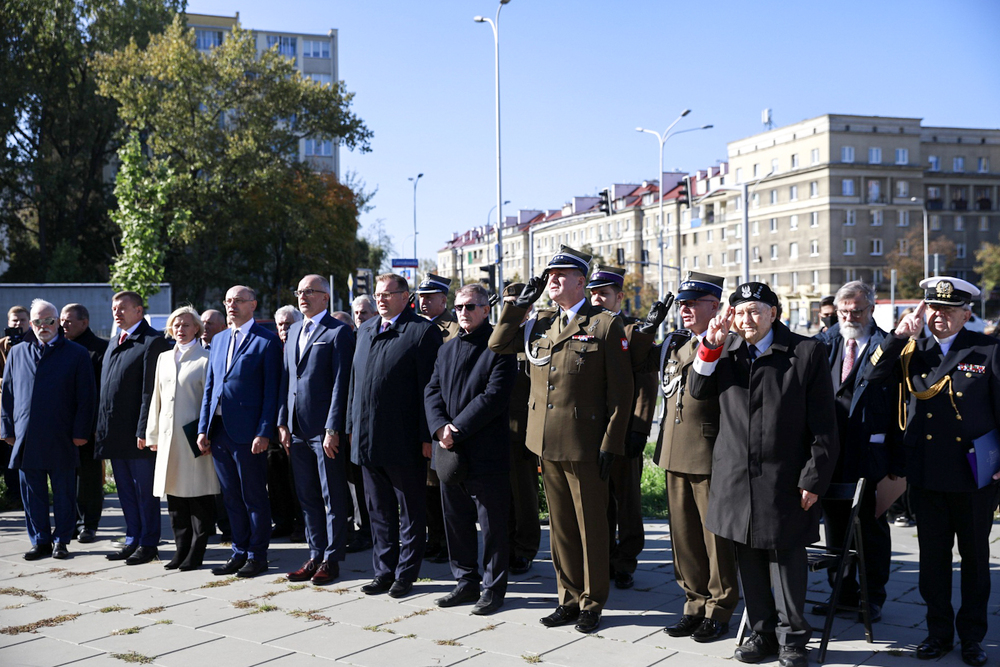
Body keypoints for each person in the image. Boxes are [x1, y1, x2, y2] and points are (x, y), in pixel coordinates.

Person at [689, 281, 838, 667]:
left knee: (786, 560)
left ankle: (793, 642)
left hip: (785, 477)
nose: (746, 318)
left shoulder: (805, 352)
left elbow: (824, 425)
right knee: (748, 558)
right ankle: (763, 632)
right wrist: (712, 341)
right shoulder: (726, 351)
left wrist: (813, 478)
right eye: (739, 312)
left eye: (755, 310)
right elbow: (697, 389)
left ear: (774, 313)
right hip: (736, 476)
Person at [489, 246, 634, 634]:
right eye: (550, 274)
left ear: (581, 281)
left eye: (562, 274)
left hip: (586, 443)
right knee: (562, 528)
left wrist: (611, 444)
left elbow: (622, 394)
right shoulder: (539, 323)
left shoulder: (603, 324)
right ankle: (567, 598)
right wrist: (519, 305)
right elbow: (498, 344)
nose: (552, 280)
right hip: (545, 441)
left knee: (591, 527)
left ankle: (592, 602)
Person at [862, 277, 1000, 667]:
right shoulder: (911, 350)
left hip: (974, 474)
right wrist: (896, 335)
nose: (939, 317)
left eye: (949, 310)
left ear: (966, 313)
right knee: (933, 560)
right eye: (933, 309)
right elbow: (871, 378)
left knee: (974, 560)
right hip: (926, 472)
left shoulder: (986, 349)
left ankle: (972, 637)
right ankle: (937, 632)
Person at [632, 271, 740, 643]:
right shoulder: (674, 343)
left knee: (716, 539)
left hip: (709, 452)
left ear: (716, 306)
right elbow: (635, 361)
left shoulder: (729, 344)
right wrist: (650, 326)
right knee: (684, 538)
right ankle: (694, 604)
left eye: (693, 303)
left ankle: (720, 607)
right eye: (682, 304)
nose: (685, 309)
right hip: (673, 450)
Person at [812, 281, 902, 624]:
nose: (850, 316)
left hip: (870, 456)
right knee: (835, 529)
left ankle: (871, 597)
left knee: (871, 528)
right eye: (844, 311)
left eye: (857, 310)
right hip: (832, 456)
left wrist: (897, 461)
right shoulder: (823, 343)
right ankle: (842, 593)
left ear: (872, 309)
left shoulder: (888, 347)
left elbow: (900, 408)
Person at [347, 273, 442, 599]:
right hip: (367, 438)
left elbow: (429, 390)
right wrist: (350, 427)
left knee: (410, 512)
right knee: (378, 511)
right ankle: (383, 571)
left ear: (406, 296)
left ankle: (406, 573)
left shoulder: (421, 331)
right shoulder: (366, 330)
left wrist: (427, 436)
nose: (382, 300)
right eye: (378, 295)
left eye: (389, 294)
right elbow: (354, 385)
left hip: (403, 441)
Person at [425, 284, 516, 615]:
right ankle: (465, 581)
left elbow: (493, 397)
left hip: (485, 451)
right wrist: (440, 428)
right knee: (455, 521)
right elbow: (431, 390)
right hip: (449, 452)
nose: (463, 312)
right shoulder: (446, 349)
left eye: (471, 307)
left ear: (486, 309)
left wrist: (455, 429)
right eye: (459, 307)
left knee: (492, 526)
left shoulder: (500, 348)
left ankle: (493, 589)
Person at [198, 285, 283, 578]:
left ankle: (257, 555)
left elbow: (271, 393)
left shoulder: (267, 342)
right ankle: (239, 551)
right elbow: (210, 388)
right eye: (228, 301)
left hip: (249, 435)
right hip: (219, 431)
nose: (232, 305)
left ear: (253, 305)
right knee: (230, 496)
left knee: (254, 496)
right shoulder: (219, 339)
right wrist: (203, 429)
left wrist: (264, 432)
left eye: (238, 301)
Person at [1, 300, 95, 560]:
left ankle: (61, 541)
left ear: (58, 323)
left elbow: (86, 398)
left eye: (49, 321)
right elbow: (7, 394)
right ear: (31, 324)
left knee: (64, 492)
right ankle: (40, 540)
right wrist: (7, 429)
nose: (44, 326)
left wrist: (81, 432)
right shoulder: (18, 352)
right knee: (32, 494)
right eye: (38, 322)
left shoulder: (76, 353)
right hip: (26, 436)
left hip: (62, 436)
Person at [278, 275, 355, 586]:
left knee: (331, 495)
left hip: (323, 430)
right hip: (296, 429)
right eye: (299, 291)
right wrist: (282, 422)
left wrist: (333, 427)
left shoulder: (338, 332)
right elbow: (287, 379)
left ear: (326, 297)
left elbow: (341, 384)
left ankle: (332, 559)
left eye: (309, 291)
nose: (303, 296)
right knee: (307, 495)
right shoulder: (294, 329)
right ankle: (314, 553)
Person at [586, 265, 658, 591]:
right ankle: (603, 558)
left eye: (604, 293)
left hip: (625, 430)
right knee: (599, 503)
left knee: (626, 502)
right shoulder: (585, 327)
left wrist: (639, 430)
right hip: (590, 432)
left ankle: (625, 561)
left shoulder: (632, 331)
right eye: (593, 293)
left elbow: (645, 384)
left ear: (619, 296)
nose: (597, 299)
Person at [95, 291, 171, 565]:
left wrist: (144, 430)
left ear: (139, 311)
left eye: (123, 308)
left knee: (143, 491)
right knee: (125, 491)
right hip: (114, 432)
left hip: (137, 434)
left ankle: (149, 543)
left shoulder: (152, 341)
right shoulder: (115, 341)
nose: (117, 312)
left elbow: (149, 392)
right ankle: (133, 538)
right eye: (114, 308)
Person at [146, 307, 219, 571]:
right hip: (168, 440)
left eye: (186, 325)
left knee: (197, 496)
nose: (180, 329)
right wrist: (152, 434)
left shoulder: (206, 358)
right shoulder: (164, 358)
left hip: (194, 439)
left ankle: (196, 553)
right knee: (175, 498)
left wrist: (208, 433)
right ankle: (180, 550)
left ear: (197, 328)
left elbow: (211, 402)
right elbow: (157, 398)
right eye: (176, 325)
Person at [416, 273, 459, 564]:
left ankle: (448, 542)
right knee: (426, 486)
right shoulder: (417, 326)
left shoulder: (454, 329)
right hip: (420, 415)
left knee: (444, 484)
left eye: (430, 297)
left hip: (444, 416)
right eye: (421, 297)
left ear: (444, 300)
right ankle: (434, 538)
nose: (424, 302)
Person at [59, 304, 109, 544]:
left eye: (69, 321)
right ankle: (69, 523)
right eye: (61, 321)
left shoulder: (100, 349)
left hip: (89, 426)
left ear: (84, 322)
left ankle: (88, 524)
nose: (63, 325)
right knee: (67, 478)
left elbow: (102, 392)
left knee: (88, 478)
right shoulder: (59, 347)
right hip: (63, 425)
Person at [500, 283, 540, 576]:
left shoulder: (538, 332)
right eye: (509, 302)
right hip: (497, 429)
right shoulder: (500, 333)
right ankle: (505, 545)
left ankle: (524, 549)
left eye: (519, 301)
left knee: (524, 495)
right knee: (502, 496)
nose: (514, 306)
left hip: (526, 429)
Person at [268, 304, 305, 540]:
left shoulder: (302, 345)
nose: (284, 328)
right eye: (280, 324)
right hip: (271, 424)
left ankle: (302, 524)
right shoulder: (271, 347)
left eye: (288, 324)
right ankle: (281, 521)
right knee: (275, 476)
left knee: (297, 478)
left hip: (296, 423)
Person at [346, 294, 377, 551]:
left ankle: (371, 531)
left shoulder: (373, 337)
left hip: (374, 426)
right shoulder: (353, 339)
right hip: (354, 425)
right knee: (356, 482)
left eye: (364, 313)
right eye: (356, 313)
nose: (359, 317)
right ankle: (362, 528)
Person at [0, 304, 31, 509]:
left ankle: (21, 495)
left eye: (21, 321)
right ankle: (10, 495)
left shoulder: (34, 344)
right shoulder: (1, 346)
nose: (18, 324)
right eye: (14, 321)